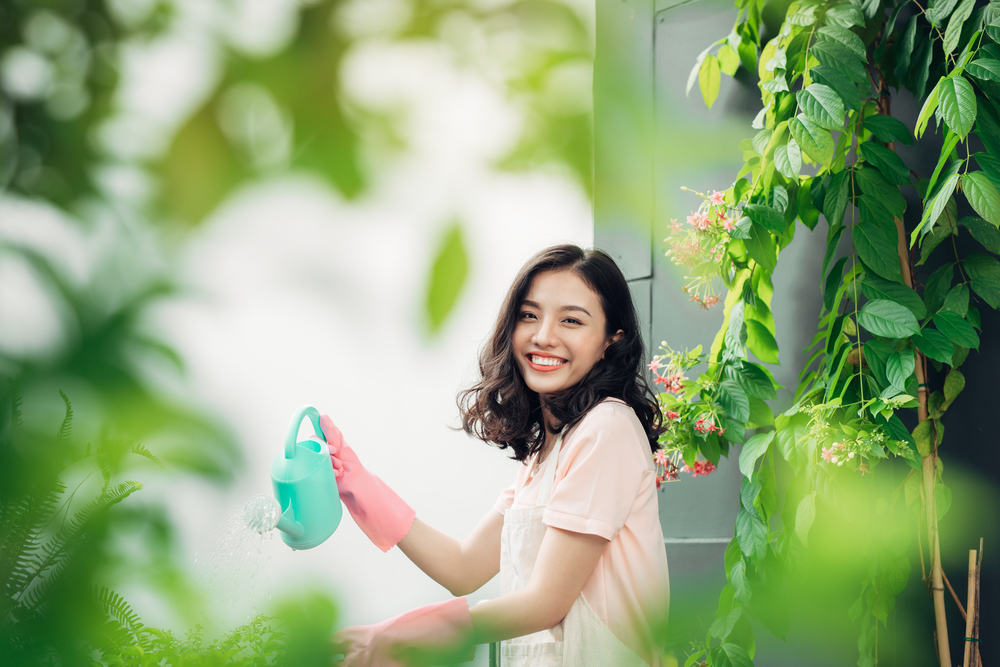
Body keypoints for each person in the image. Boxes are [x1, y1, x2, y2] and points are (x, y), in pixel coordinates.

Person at [325, 244, 670, 666]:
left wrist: (404, 634)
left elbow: (546, 602)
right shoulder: (548, 452)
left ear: (609, 342)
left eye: (572, 320)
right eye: (529, 315)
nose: (543, 335)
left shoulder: (607, 428)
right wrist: (357, 484)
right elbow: (462, 567)